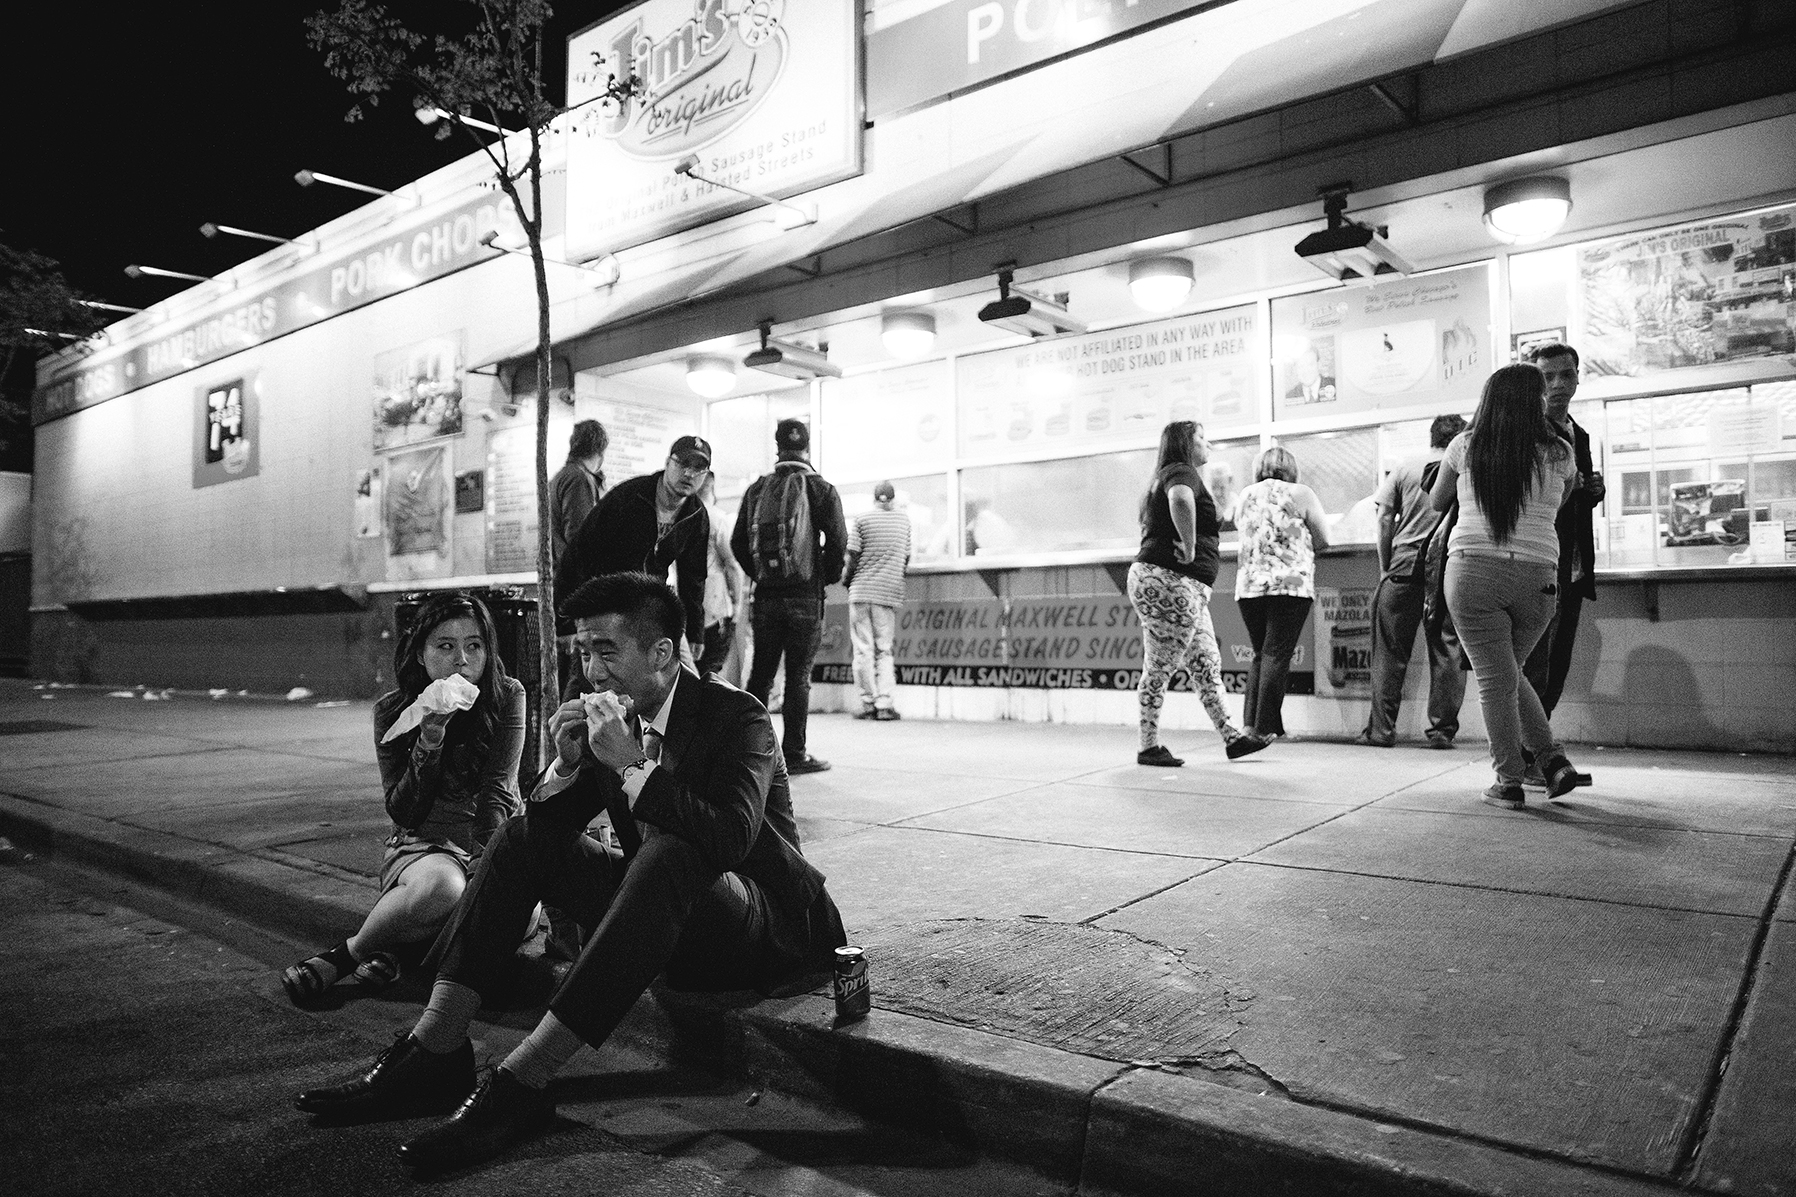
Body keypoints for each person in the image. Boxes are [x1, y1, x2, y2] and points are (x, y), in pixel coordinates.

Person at [293, 572, 848, 1172]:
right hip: (662, 915)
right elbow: (548, 826)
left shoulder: (735, 717)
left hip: (760, 927)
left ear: (661, 654)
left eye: (606, 651)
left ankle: (523, 1080)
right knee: (523, 835)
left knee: (674, 851)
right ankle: (436, 1046)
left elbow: (730, 839)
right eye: (583, 651)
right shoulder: (617, 718)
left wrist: (633, 767)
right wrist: (565, 763)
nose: (591, 671)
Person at [280, 594, 525, 1006]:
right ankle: (346, 956)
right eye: (445, 646)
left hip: (491, 840)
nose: (462, 661)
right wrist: (429, 742)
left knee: (521, 915)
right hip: (424, 848)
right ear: (421, 653)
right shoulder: (393, 711)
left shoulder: (507, 696)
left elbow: (498, 791)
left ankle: (400, 952)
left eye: (474, 645)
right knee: (447, 889)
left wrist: (487, 867)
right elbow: (403, 810)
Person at [1430, 365, 1591, 809]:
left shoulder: (1465, 445)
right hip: (1539, 575)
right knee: (1506, 674)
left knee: (1495, 679)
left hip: (1473, 571)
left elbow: (1436, 502)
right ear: (1536, 401)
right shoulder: (1560, 452)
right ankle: (1553, 763)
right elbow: (1557, 504)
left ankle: (1509, 780)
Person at [1127, 420, 1269, 766]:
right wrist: (1189, 548)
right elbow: (1179, 498)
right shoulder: (1181, 473)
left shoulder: (1174, 474)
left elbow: (1205, 514)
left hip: (1176, 585)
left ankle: (1233, 738)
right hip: (1171, 581)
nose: (1208, 444)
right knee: (1160, 666)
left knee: (1206, 663)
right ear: (1184, 445)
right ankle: (1148, 746)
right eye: (1201, 438)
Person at [731, 418, 847, 776]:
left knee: (761, 675)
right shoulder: (821, 488)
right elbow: (838, 541)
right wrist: (821, 578)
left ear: (777, 447)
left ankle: (748, 749)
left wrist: (762, 575)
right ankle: (794, 753)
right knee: (798, 676)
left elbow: (738, 543)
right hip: (805, 599)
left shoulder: (757, 489)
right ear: (807, 448)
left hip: (765, 598)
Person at [556, 435, 713, 675]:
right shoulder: (630, 496)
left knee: (685, 678)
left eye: (699, 468)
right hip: (606, 608)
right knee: (594, 678)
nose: (689, 474)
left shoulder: (695, 515)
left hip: (651, 609)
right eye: (683, 465)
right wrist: (566, 621)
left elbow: (694, 578)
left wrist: (695, 632)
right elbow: (580, 553)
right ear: (668, 463)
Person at [1359, 414, 1468, 748]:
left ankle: (1381, 731)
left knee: (1389, 652)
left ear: (1431, 436)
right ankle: (1441, 732)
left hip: (1405, 567)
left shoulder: (1405, 468)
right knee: (1447, 648)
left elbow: (1383, 518)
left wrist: (1385, 565)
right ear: (1459, 438)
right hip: (1448, 567)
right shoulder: (1464, 469)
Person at [1523, 343, 1604, 723]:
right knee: (1533, 662)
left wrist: (1592, 493)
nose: (1557, 384)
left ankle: (1539, 742)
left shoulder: (1581, 435)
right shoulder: (1528, 432)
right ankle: (1530, 750)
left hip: (1572, 564)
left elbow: (1570, 495)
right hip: (1538, 561)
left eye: (1566, 374)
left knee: (1559, 661)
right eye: (1546, 376)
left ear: (1577, 378)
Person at [1233, 446, 1331, 740]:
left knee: (1261, 654)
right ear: (1291, 468)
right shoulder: (1301, 493)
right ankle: (1263, 729)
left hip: (1249, 587)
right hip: (1290, 585)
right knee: (1277, 654)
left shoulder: (1246, 496)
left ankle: (1255, 725)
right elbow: (1324, 539)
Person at [844, 480, 911, 720]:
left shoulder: (861, 520)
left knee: (863, 649)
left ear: (874, 499)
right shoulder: (903, 520)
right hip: (887, 593)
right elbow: (906, 558)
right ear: (892, 500)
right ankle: (884, 704)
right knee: (884, 650)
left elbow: (852, 556)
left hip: (861, 592)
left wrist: (846, 580)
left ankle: (867, 703)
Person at [551, 420, 608, 692]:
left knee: (572, 678)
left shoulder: (560, 477)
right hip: (576, 595)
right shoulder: (578, 479)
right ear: (601, 450)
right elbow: (581, 545)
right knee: (581, 679)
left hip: (564, 592)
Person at [695, 473, 742, 679]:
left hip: (685, 603)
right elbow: (731, 565)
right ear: (712, 487)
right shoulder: (718, 519)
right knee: (712, 666)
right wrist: (737, 602)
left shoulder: (681, 516)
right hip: (714, 604)